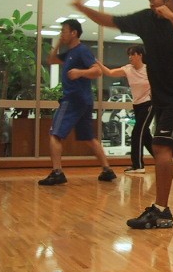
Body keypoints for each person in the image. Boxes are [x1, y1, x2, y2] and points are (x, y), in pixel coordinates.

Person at [71, 0, 173, 229]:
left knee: (161, 145)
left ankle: (161, 211)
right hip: (160, 94)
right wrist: (84, 9)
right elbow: (111, 20)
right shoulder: (145, 19)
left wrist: (172, 18)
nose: (150, 3)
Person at [38, 19, 117, 185]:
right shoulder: (69, 53)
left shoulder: (82, 50)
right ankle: (107, 170)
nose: (62, 34)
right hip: (84, 101)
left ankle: (57, 172)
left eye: (64, 31)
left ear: (74, 33)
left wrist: (80, 72)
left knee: (55, 134)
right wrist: (59, 42)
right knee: (88, 137)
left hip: (73, 99)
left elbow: (97, 71)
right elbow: (51, 60)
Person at [96, 44, 155, 174]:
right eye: (129, 55)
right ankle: (161, 159)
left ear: (140, 55)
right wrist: (98, 63)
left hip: (149, 104)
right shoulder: (127, 69)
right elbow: (109, 72)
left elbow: (161, 84)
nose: (130, 57)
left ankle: (138, 165)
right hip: (137, 105)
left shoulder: (149, 69)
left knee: (137, 133)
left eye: (132, 54)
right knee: (145, 135)